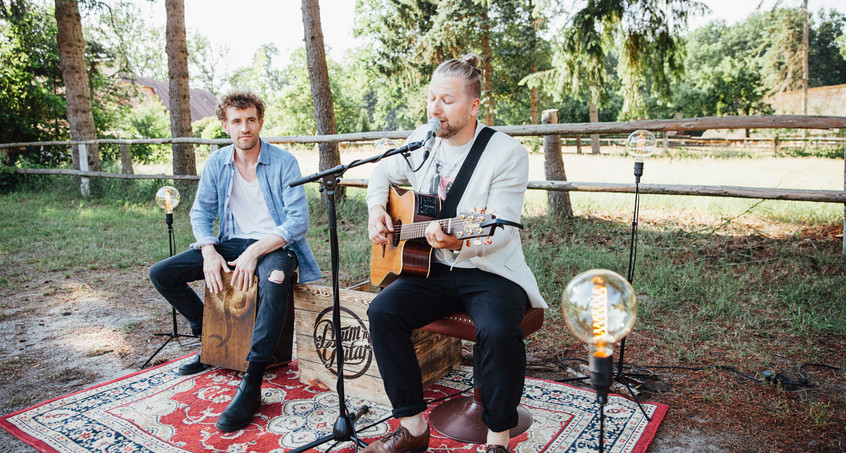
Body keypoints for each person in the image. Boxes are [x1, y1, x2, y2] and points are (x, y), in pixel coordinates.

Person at [364, 55, 547, 453]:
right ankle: (412, 428)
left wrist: (459, 240)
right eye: (431, 98)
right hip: (432, 270)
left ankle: (498, 439)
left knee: (498, 331)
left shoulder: (507, 153)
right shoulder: (424, 140)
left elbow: (499, 228)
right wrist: (378, 208)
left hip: (490, 270)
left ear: (474, 105)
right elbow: (381, 171)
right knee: (382, 311)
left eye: (446, 99)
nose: (435, 108)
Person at [148, 90, 321, 432]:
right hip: (229, 243)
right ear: (225, 125)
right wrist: (209, 250)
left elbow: (297, 221)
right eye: (237, 121)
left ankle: (253, 381)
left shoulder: (284, 162)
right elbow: (201, 213)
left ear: (260, 122)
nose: (245, 127)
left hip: (274, 245)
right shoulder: (217, 163)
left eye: (251, 120)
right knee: (162, 273)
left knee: (274, 282)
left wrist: (254, 253)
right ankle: (210, 339)